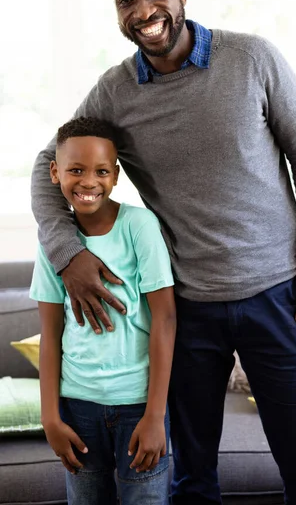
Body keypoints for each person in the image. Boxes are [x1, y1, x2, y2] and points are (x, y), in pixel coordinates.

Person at [31, 0, 296, 505]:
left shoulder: (252, 58)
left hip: (279, 297)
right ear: (116, 11)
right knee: (192, 482)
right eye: (126, 0)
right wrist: (67, 254)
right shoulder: (114, 93)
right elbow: (49, 166)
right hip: (186, 310)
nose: (144, 10)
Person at [30, 116, 176, 505]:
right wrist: (50, 418)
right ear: (54, 172)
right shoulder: (53, 244)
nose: (88, 181)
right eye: (75, 170)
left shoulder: (140, 226)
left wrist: (154, 416)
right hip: (78, 408)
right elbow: (51, 335)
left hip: (138, 406)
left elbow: (165, 318)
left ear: (116, 175)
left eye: (100, 171)